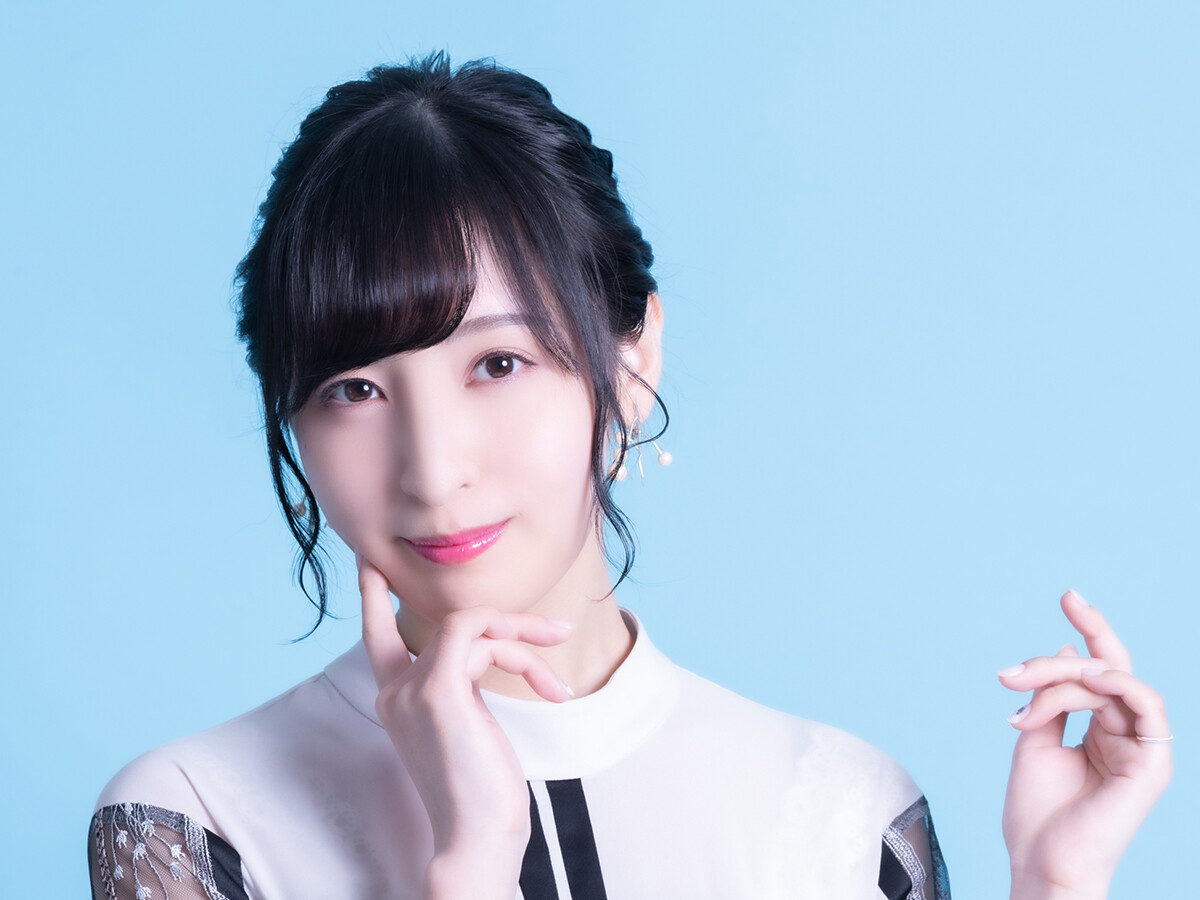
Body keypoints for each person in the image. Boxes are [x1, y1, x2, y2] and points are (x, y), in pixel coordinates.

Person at [87, 54, 1172, 900]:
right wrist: (472, 857)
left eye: (498, 365)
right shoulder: (193, 823)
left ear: (632, 360)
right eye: (355, 389)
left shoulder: (843, 815)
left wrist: (1057, 882)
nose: (434, 467)